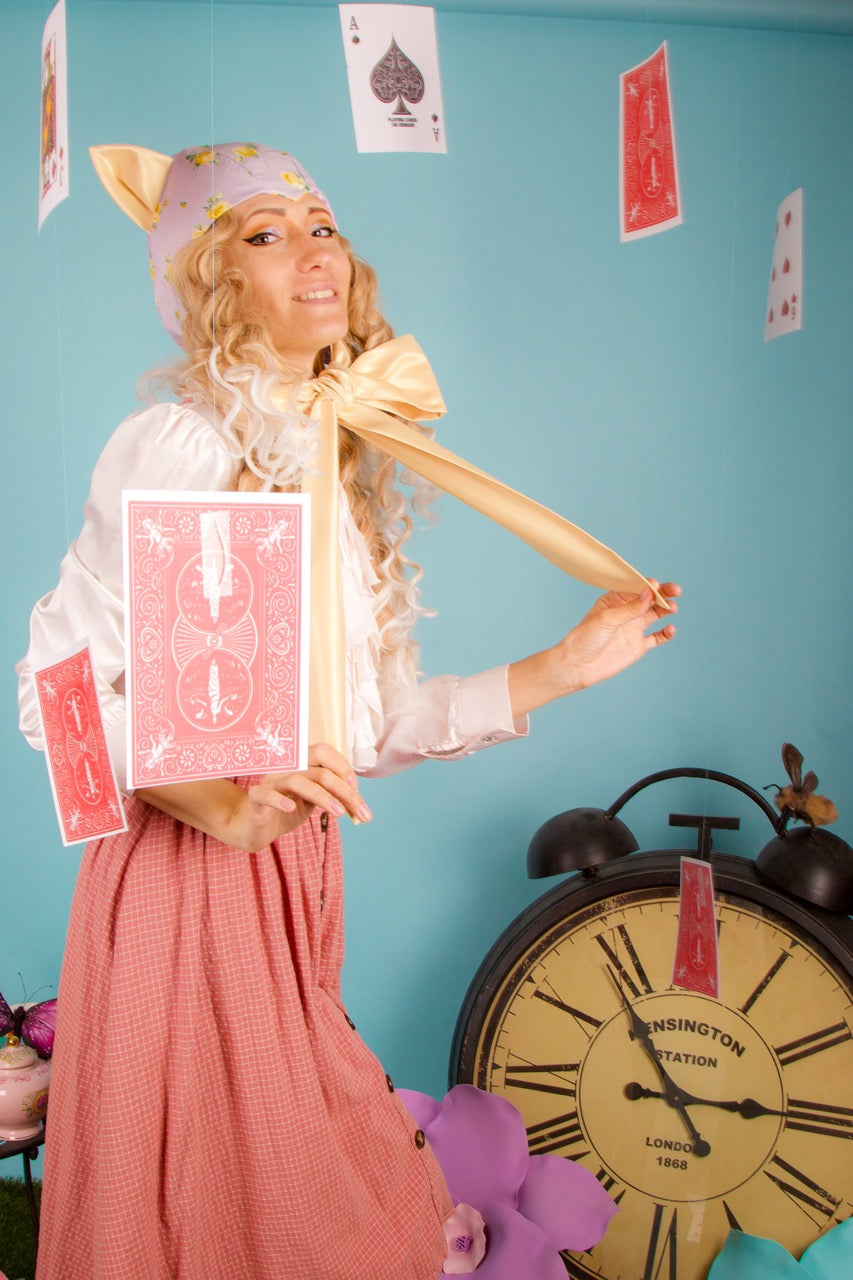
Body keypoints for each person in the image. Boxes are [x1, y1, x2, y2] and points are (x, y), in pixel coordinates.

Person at [17, 143, 679, 1280]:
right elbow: (54, 694)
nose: (315, 249)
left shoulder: (327, 454)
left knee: (260, 1198)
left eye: (320, 222)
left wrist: (555, 668)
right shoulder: (185, 441)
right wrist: (220, 805)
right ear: (207, 281)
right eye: (263, 233)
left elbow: (353, 727)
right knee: (252, 1203)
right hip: (185, 875)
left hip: (294, 868)